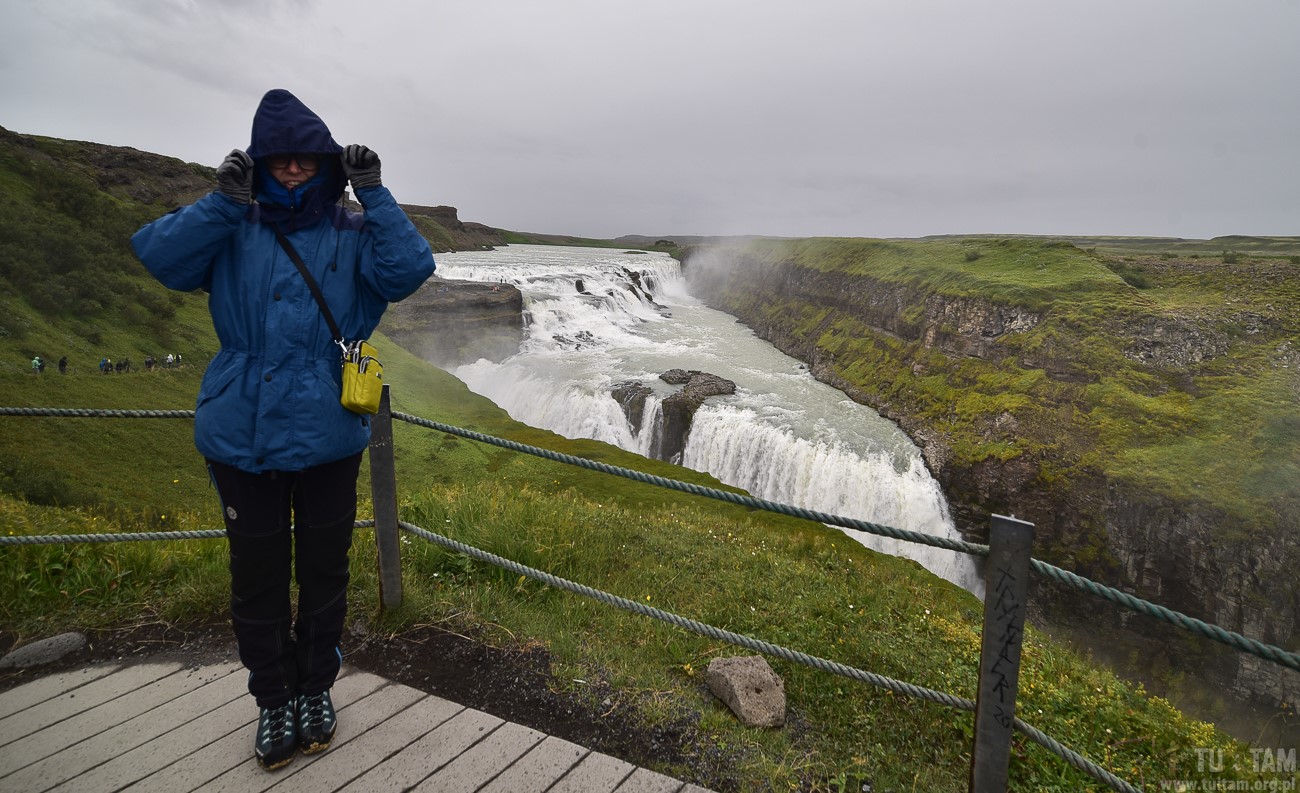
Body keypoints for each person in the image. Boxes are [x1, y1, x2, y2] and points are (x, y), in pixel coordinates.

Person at [131, 89, 435, 772]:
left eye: (306, 159)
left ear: (324, 163)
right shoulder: (230, 227)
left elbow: (410, 268)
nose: (294, 170)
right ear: (260, 161)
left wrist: (375, 194)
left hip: (327, 434)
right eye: (280, 159)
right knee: (257, 579)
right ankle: (273, 699)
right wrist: (222, 202)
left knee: (325, 574)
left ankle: (316, 692)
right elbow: (160, 257)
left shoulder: (354, 231)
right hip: (243, 435)